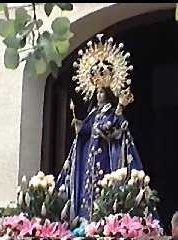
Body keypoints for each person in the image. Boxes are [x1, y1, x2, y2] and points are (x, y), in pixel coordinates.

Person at [56, 34, 143, 221]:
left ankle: (103, 219)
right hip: (89, 156)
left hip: (105, 156)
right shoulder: (93, 114)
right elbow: (86, 131)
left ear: (109, 93)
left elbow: (117, 130)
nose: (99, 96)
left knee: (103, 188)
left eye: (102, 92)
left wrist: (119, 108)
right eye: (97, 92)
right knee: (87, 190)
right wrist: (80, 127)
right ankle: (85, 217)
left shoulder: (112, 110)